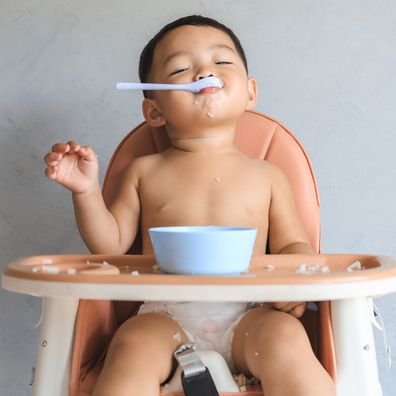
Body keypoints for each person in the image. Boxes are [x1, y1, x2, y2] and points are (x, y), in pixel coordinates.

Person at [44, 15, 335, 396]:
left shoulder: (268, 175)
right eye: (181, 68)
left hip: (250, 313)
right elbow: (111, 247)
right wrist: (85, 191)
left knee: (286, 337)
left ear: (250, 92)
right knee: (131, 345)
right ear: (154, 111)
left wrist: (293, 287)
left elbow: (294, 247)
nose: (204, 71)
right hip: (164, 316)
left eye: (222, 62)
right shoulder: (143, 171)